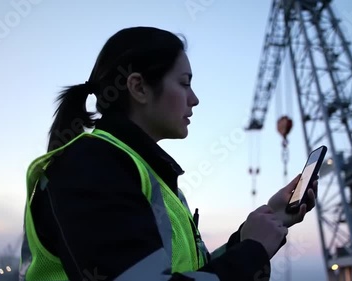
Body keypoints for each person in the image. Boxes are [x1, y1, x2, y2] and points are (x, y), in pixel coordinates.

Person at [18, 26, 318, 281]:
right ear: (138, 87)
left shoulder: (137, 172)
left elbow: (187, 273)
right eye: (184, 83)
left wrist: (267, 222)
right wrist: (253, 250)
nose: (195, 99)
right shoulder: (90, 167)